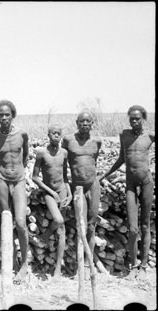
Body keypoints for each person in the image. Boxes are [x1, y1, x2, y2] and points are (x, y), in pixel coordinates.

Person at [99, 105, 155, 279]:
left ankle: (144, 266)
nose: (134, 121)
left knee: (145, 226)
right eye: (131, 119)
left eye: (137, 118)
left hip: (146, 183)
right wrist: (105, 175)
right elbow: (121, 159)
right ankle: (133, 265)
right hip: (131, 184)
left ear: (143, 119)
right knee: (132, 228)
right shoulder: (125, 135)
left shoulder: (150, 136)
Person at [0, 100, 30, 280]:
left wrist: (19, 170)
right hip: (2, 179)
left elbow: (25, 155)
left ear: (13, 115)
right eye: (1, 115)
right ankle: (10, 262)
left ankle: (25, 264)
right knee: (5, 220)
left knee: (20, 222)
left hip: (18, 179)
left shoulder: (22, 134)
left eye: (7, 114)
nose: (4, 118)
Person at [62, 110, 102, 277]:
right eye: (82, 121)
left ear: (92, 124)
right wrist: (66, 188)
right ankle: (80, 264)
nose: (85, 124)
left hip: (93, 185)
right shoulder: (69, 141)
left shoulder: (97, 141)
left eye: (88, 122)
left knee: (92, 224)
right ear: (77, 123)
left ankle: (88, 264)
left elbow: (94, 161)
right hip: (77, 186)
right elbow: (63, 165)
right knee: (81, 225)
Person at [32, 124, 72, 278]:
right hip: (49, 192)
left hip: (62, 190)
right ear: (48, 135)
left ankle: (57, 269)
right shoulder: (41, 153)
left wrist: (68, 194)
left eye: (59, 133)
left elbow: (65, 177)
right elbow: (34, 177)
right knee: (58, 219)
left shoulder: (64, 153)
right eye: (54, 133)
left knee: (61, 230)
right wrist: (50, 192)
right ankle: (47, 233)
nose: (56, 136)